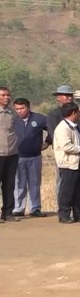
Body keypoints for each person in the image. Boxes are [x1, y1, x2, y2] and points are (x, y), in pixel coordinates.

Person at [47, 85, 80, 201]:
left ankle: (77, 208)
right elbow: (55, 135)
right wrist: (75, 148)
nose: (69, 98)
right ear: (58, 98)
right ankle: (63, 208)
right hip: (64, 156)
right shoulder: (53, 115)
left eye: (70, 95)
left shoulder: (79, 114)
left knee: (78, 184)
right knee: (64, 183)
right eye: (66, 95)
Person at [53, 103, 80, 223]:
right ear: (73, 113)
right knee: (67, 191)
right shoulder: (62, 128)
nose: (79, 114)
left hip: (77, 161)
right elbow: (66, 146)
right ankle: (64, 214)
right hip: (68, 163)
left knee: (77, 190)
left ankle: (78, 213)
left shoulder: (73, 126)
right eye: (78, 112)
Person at [12, 98, 49, 218]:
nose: (19, 111)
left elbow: (53, 129)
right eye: (17, 109)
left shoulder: (39, 118)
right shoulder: (13, 120)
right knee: (19, 183)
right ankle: (19, 208)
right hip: (17, 156)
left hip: (34, 156)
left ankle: (35, 208)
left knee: (34, 183)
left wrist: (48, 142)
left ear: (28, 107)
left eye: (22, 108)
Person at [0, 87, 17, 222]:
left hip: (12, 153)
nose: (6, 97)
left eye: (8, 95)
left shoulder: (13, 113)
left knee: (9, 184)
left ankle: (7, 212)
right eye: (3, 95)